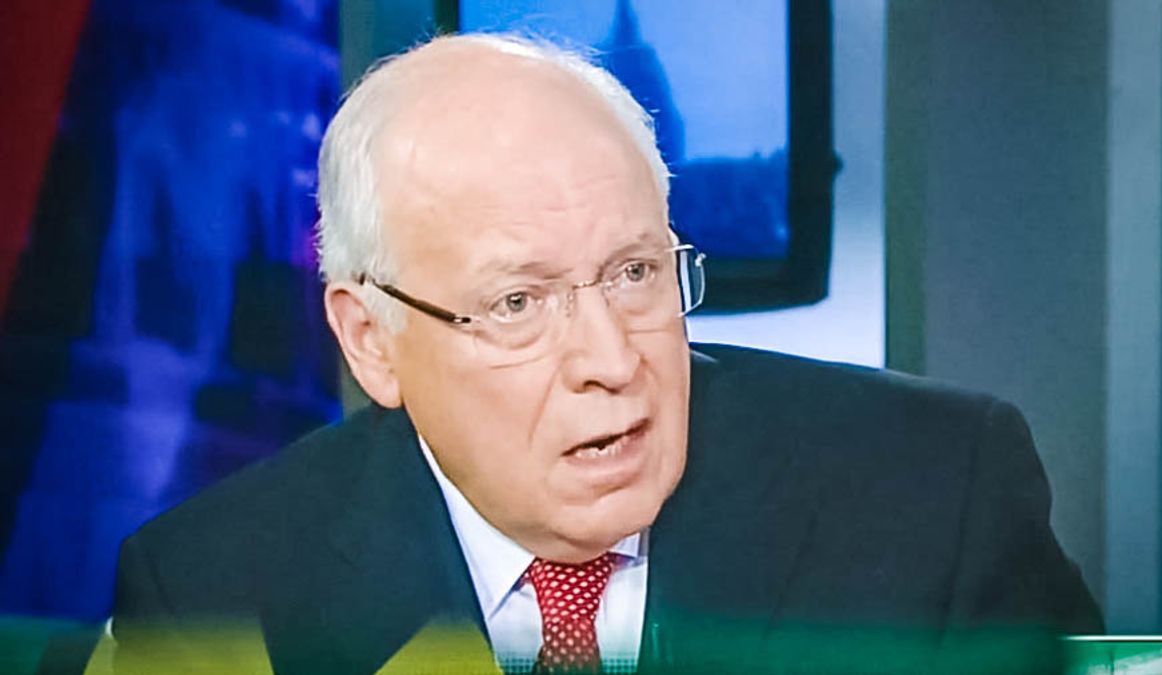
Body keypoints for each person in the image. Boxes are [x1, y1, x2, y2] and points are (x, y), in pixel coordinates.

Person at [107, 33, 1102, 674]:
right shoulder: (214, 593)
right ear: (372, 341)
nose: (611, 360)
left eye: (634, 273)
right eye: (518, 302)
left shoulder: (937, 491)